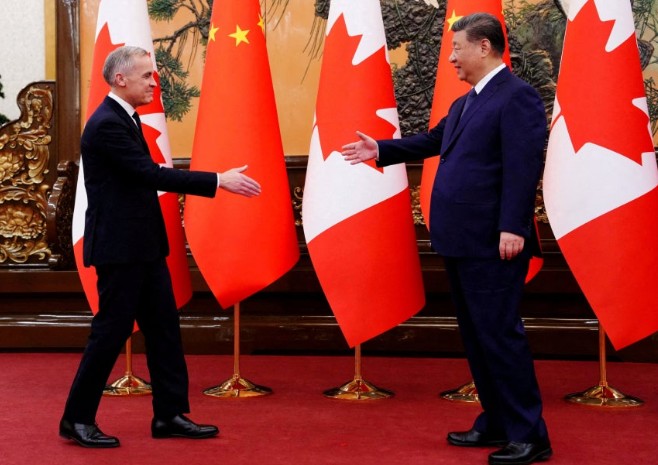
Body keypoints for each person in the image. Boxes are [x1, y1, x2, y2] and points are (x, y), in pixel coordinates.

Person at [342, 13, 551, 465]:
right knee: (477, 338)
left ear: (484, 47)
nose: (452, 58)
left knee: (499, 336)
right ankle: (497, 422)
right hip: (461, 240)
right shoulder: (464, 103)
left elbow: (523, 166)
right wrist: (379, 149)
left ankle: (530, 434)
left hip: (495, 241)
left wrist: (513, 226)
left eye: (457, 48)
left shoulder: (517, 96)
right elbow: (433, 140)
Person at [60, 45, 261, 448]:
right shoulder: (107, 124)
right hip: (120, 251)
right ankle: (76, 419)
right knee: (110, 333)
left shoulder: (125, 117)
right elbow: (148, 174)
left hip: (144, 247)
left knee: (164, 329)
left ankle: (169, 414)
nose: (155, 82)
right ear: (120, 79)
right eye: (146, 76)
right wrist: (218, 180)